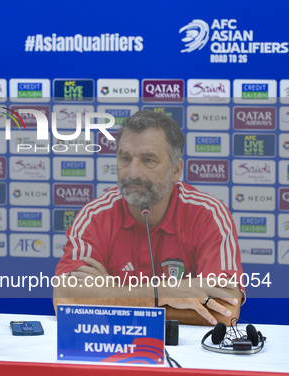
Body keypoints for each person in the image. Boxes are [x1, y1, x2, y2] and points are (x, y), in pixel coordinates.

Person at [54, 110, 244, 326]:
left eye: (149, 160)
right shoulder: (95, 216)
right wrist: (165, 292)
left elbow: (226, 311)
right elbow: (67, 300)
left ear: (176, 169)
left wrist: (110, 294)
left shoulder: (208, 215)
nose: (133, 172)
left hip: (187, 354)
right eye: (125, 158)